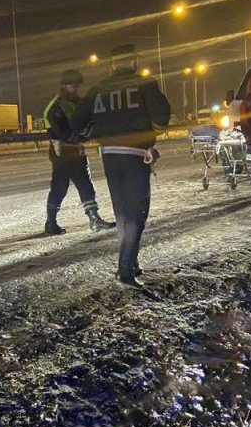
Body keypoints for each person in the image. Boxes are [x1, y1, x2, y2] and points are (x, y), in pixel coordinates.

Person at [70, 44, 171, 289]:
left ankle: (131, 261)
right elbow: (161, 118)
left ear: (112, 65)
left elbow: (77, 123)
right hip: (136, 153)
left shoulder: (98, 90)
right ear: (134, 62)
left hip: (109, 154)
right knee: (137, 213)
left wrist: (100, 133)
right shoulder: (146, 85)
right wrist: (147, 134)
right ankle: (125, 270)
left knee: (123, 212)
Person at [42, 69, 116, 235]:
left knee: (85, 186)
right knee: (59, 188)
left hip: (76, 152)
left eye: (76, 85)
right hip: (62, 153)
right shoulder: (55, 106)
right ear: (64, 85)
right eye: (71, 85)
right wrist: (81, 137)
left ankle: (94, 218)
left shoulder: (77, 102)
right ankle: (51, 222)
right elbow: (60, 130)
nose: (75, 88)